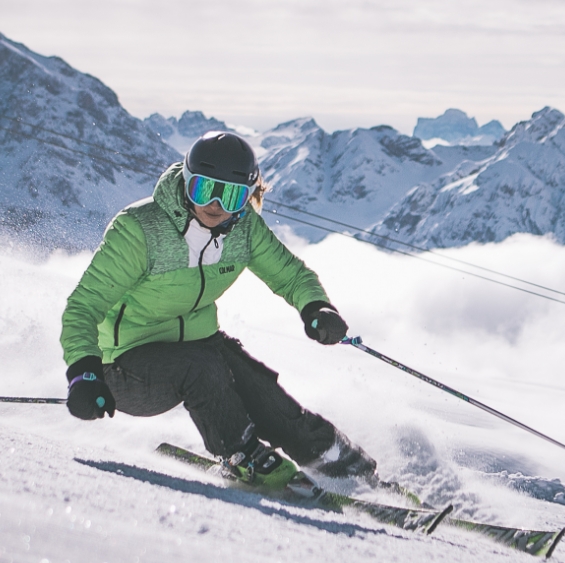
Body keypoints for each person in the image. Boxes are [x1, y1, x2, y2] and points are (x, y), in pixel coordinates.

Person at [61, 131, 377, 489]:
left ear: (246, 197)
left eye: (230, 195)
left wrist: (316, 307)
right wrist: (84, 374)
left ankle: (346, 468)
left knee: (262, 392)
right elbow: (83, 306)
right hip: (119, 368)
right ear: (185, 182)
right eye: (203, 189)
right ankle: (241, 454)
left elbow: (291, 275)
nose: (215, 204)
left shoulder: (244, 231)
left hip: (198, 347)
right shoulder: (140, 230)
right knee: (203, 368)